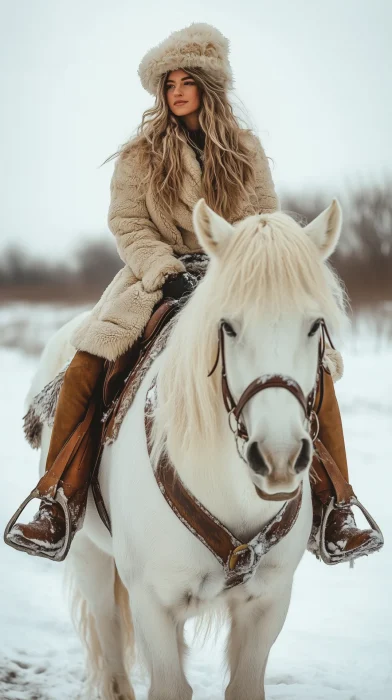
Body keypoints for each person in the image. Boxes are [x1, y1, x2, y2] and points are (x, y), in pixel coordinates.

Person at [4, 22, 383, 564]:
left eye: (187, 80)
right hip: (153, 280)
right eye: (168, 83)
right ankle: (56, 500)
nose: (176, 91)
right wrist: (166, 267)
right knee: (90, 359)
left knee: (315, 363)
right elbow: (128, 223)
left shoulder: (246, 152)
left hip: (236, 279)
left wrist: (239, 263)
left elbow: (262, 222)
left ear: (208, 85)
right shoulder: (139, 154)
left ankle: (335, 507)